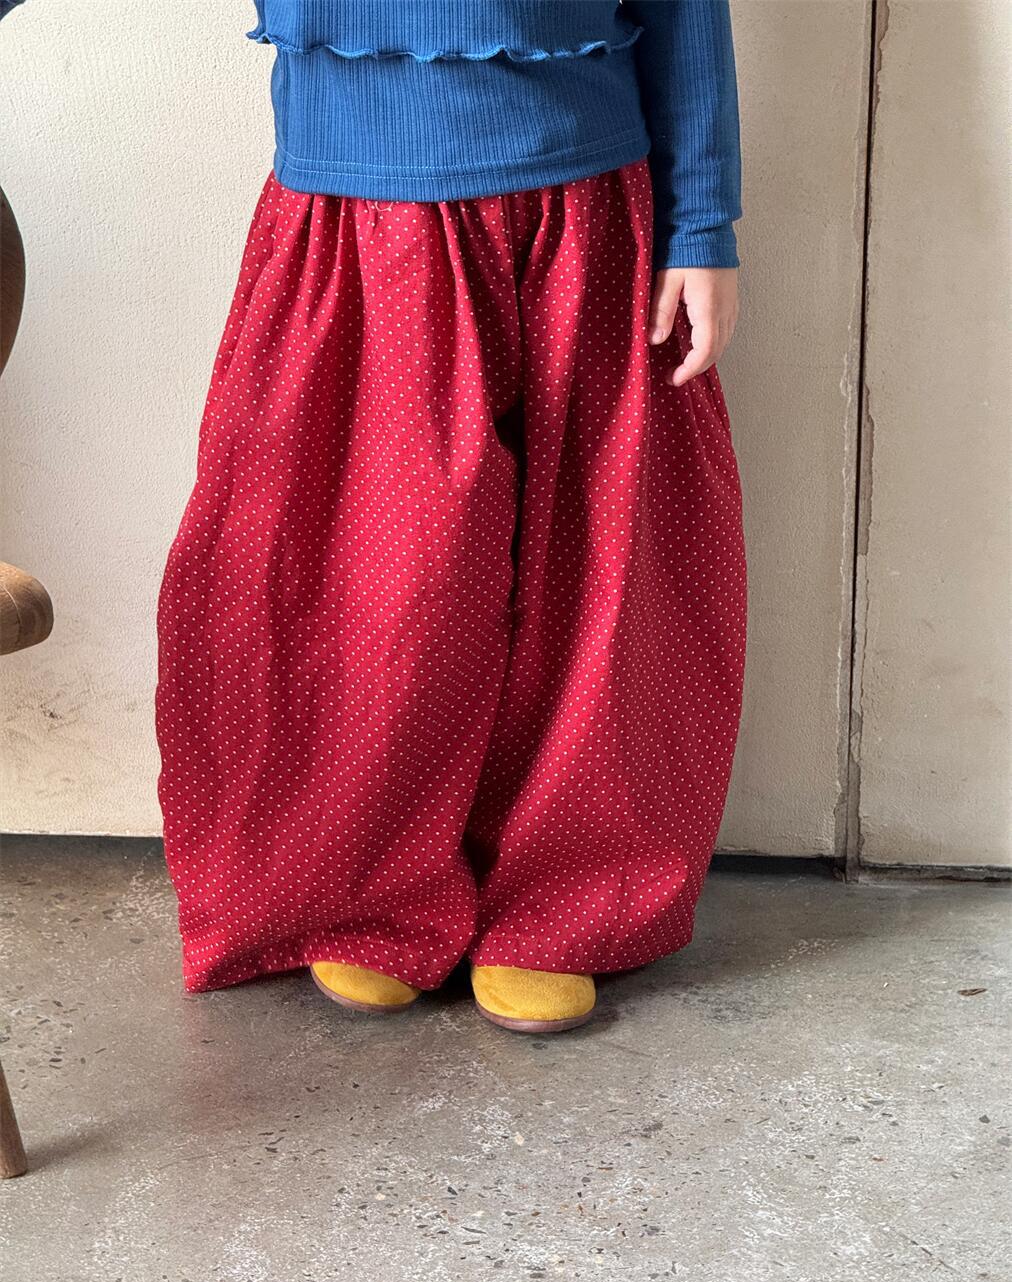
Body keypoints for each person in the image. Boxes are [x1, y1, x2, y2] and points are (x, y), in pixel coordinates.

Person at [4, 0, 747, 1033]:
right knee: (372, 591)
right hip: (355, 215)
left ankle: (565, 900)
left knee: (597, 574)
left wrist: (702, 219)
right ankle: (364, 889)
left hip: (585, 209)